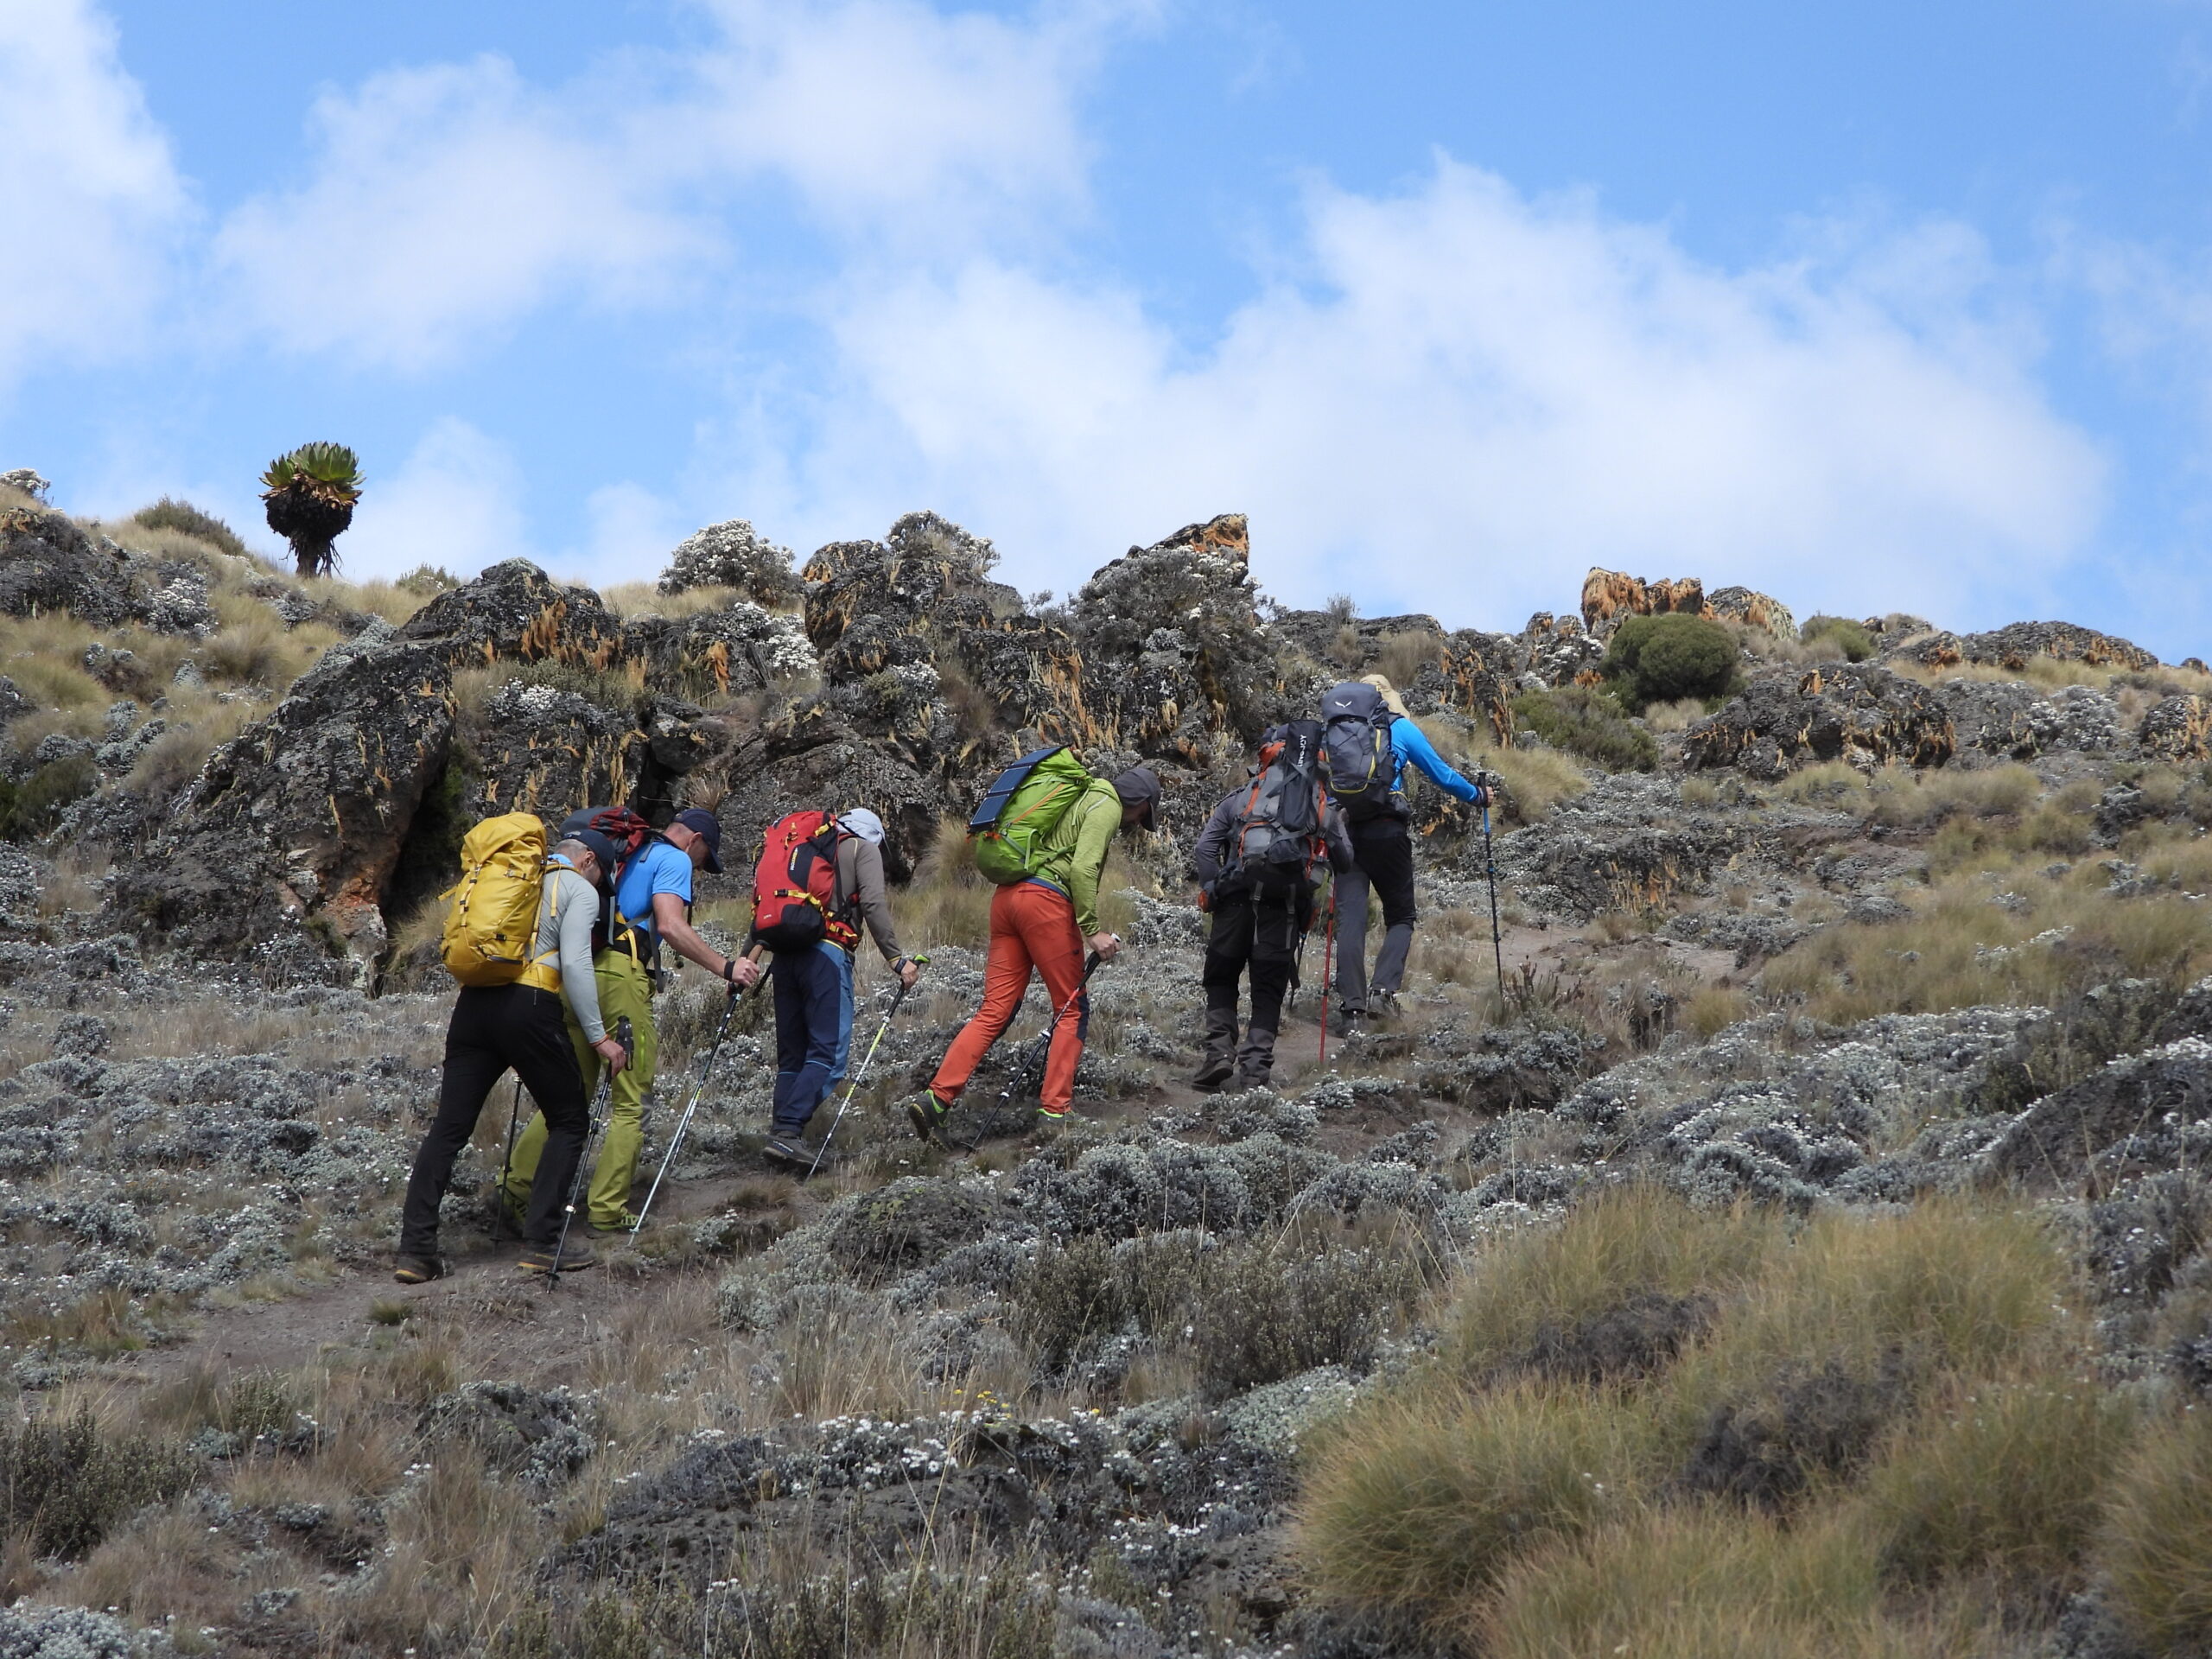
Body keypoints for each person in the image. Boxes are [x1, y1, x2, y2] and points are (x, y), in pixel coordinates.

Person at [501, 806, 761, 1232]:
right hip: (621, 979)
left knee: (567, 1098)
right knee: (630, 1102)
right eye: (704, 859)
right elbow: (671, 926)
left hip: (574, 973)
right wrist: (725, 966)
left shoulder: (620, 852)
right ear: (694, 840)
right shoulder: (673, 858)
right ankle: (606, 1210)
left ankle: (514, 1192)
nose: (698, 868)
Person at [396, 833, 629, 1281]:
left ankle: (415, 1251)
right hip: (529, 1006)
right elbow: (578, 965)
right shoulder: (576, 888)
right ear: (589, 861)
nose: (600, 882)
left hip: (474, 1006)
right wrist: (600, 1038)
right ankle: (542, 1244)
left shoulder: (508, 879)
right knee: (569, 1119)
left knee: (449, 1127)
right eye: (602, 873)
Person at [908, 766, 1160, 1139]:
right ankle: (1055, 1113)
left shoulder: (1076, 792)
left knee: (994, 1010)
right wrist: (1092, 930)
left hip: (1008, 899)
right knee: (1072, 1008)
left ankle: (937, 1098)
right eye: (1142, 816)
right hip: (1045, 904)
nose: (1138, 823)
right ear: (1138, 803)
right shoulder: (1105, 803)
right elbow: (1084, 866)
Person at [1190, 734, 1354, 1091]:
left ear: (1265, 760)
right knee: (1267, 992)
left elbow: (1205, 848)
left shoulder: (1243, 798)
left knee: (1221, 979)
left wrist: (1212, 889)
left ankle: (1218, 1055)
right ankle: (1254, 1071)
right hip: (1284, 911)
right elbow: (1345, 860)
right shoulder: (1319, 803)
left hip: (1233, 903)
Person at [759, 807, 921, 1168]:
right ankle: (787, 1133)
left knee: (792, 1056)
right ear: (874, 836)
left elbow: (766, 908)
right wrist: (896, 959)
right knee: (827, 1054)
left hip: (783, 956)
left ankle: (781, 1135)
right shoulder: (862, 849)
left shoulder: (803, 848)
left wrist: (747, 960)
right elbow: (874, 904)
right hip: (827, 955)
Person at [1332, 674, 1490, 1032]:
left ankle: (1352, 1012)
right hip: (1388, 832)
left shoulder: (1337, 731)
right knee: (1401, 916)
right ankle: (1382, 994)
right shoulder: (1399, 728)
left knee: (1351, 923)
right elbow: (1441, 774)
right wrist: (1478, 796)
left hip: (1346, 835)